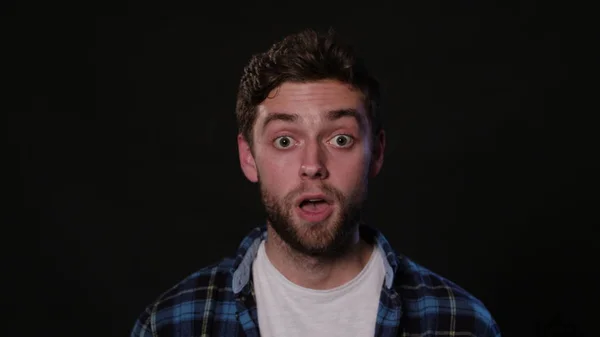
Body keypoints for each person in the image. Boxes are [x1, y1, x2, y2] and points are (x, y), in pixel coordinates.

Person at [130, 28, 501, 337]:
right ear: (248, 157)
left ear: (377, 153)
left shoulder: (461, 324)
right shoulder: (170, 325)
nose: (312, 166)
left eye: (340, 139)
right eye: (285, 141)